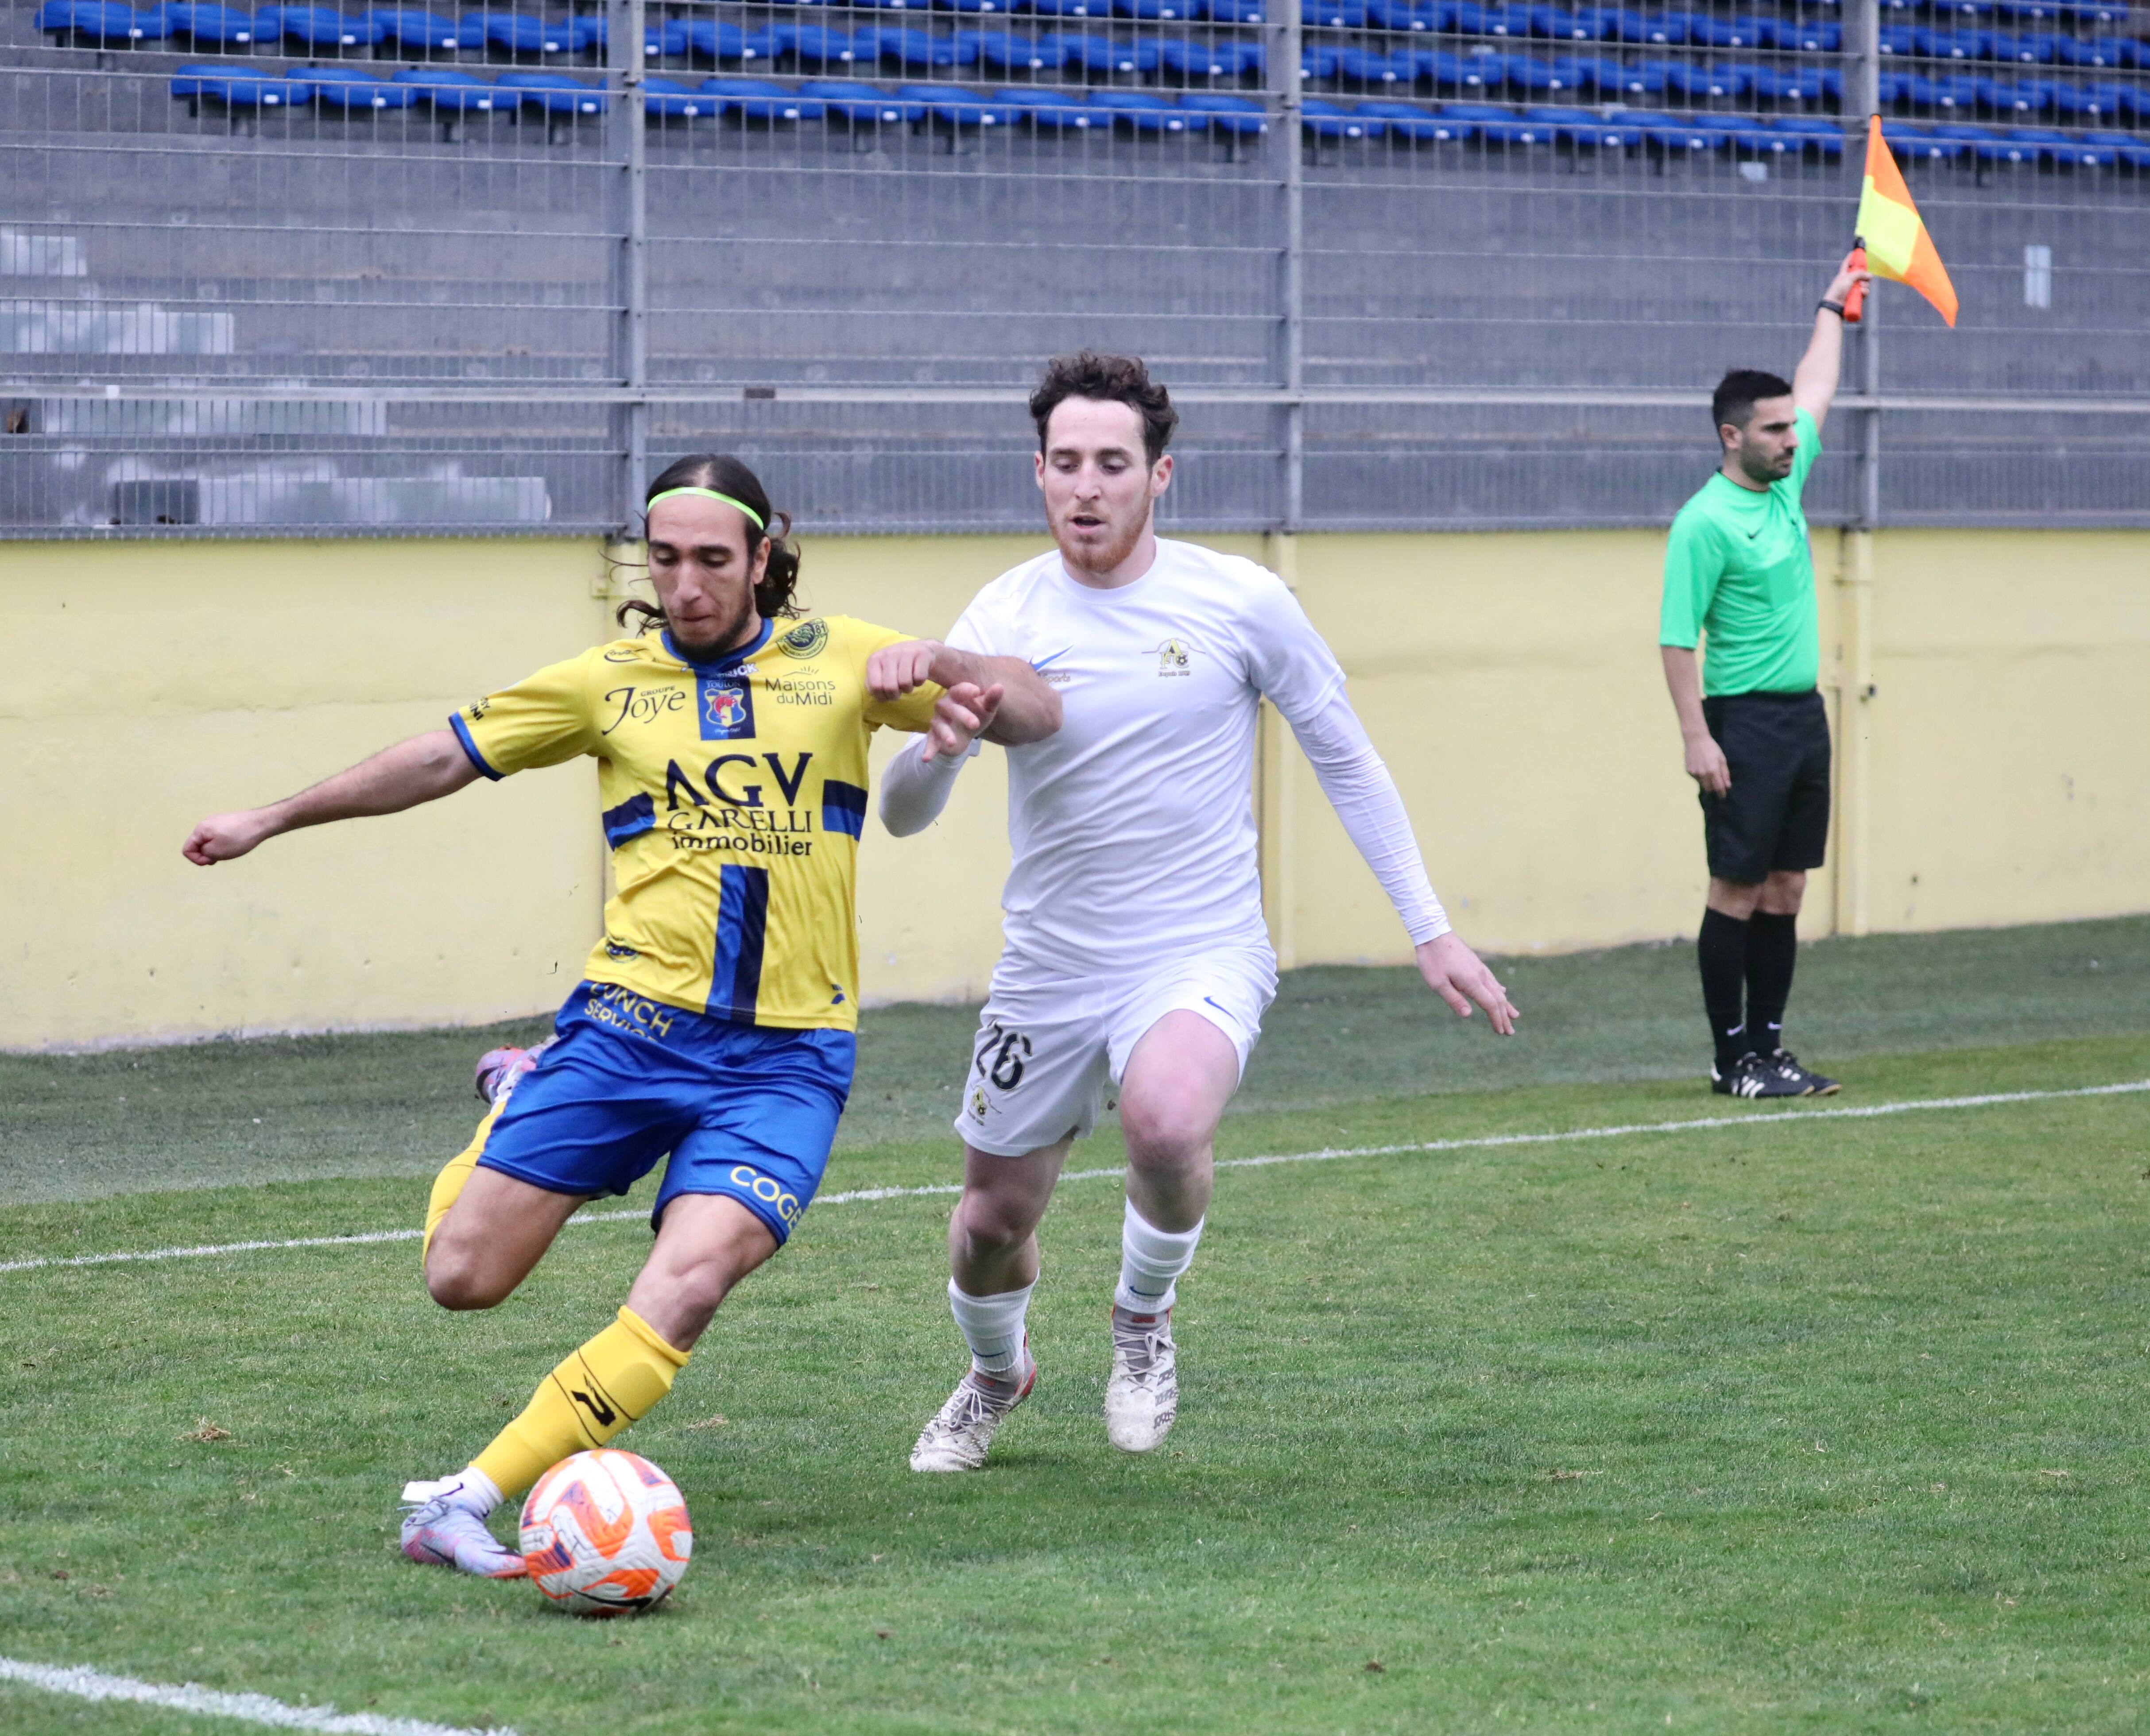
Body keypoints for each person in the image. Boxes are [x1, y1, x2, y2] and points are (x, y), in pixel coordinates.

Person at [181, 455, 1059, 1577]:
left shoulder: (842, 661)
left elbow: (1034, 712)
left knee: (691, 1282)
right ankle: (520, 1092)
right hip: (632, 1031)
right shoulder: (608, 680)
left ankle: (466, 1497)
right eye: (667, 558)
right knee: (461, 1278)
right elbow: (443, 757)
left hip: (787, 1062)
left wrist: (948, 663)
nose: (686, 583)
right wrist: (271, 814)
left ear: (760, 560)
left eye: (712, 559)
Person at [878, 352, 1517, 1473]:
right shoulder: (1005, 611)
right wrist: (937, 755)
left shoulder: (1238, 599)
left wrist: (1431, 926)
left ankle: (1141, 1320)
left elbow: (1344, 755)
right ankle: (994, 1374)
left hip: (1197, 947)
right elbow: (903, 815)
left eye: (1112, 464)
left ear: (1158, 476)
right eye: (1065, 463)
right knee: (988, 1227)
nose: (1086, 486)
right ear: (1038, 472)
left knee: (1166, 1119)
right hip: (1049, 966)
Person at [1658, 250, 1871, 1101]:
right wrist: (1696, 736)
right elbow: (1677, 641)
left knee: (1787, 886)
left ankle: (1772, 1050)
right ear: (1732, 436)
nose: (1794, 438)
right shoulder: (1702, 523)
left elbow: (1818, 378)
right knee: (1737, 888)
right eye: (1776, 430)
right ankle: (1729, 1058)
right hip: (1740, 722)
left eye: (1793, 428)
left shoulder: (1784, 489)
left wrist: (1833, 303)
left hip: (1801, 719)